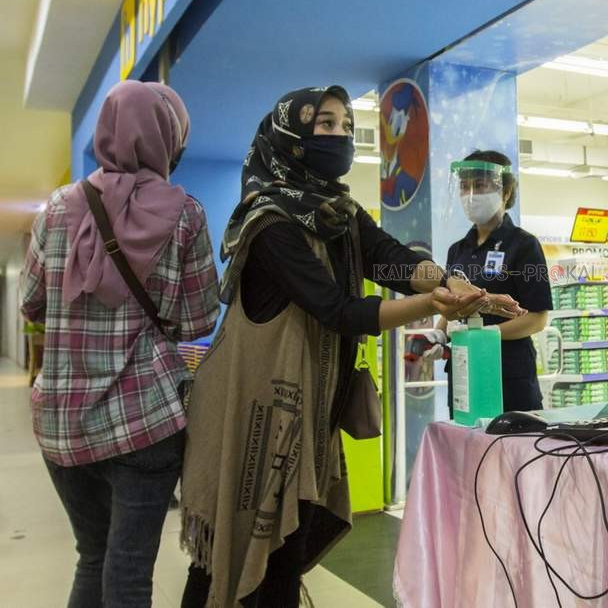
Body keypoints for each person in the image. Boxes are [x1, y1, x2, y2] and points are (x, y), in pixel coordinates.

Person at [179, 86, 524, 607]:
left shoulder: (338, 211)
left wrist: (455, 287)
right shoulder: (270, 222)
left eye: (346, 125)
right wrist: (436, 303)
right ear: (291, 137)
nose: (341, 135)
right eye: (326, 124)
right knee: (234, 560)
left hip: (307, 418)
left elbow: (390, 259)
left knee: (282, 565)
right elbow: (337, 309)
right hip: (256, 421)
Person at [20, 80, 220, 607]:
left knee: (92, 554)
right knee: (129, 571)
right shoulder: (185, 215)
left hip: (62, 425)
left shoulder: (55, 211)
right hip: (144, 422)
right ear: (168, 140)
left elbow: (32, 304)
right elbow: (199, 318)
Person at [427, 150, 553, 412]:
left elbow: (538, 318)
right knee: (466, 444)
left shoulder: (524, 245)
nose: (471, 194)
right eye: (464, 186)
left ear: (505, 192)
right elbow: (452, 304)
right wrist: (439, 334)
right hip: (464, 371)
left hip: (508, 373)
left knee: (513, 449)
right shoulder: (457, 250)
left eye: (480, 185)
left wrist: (486, 336)